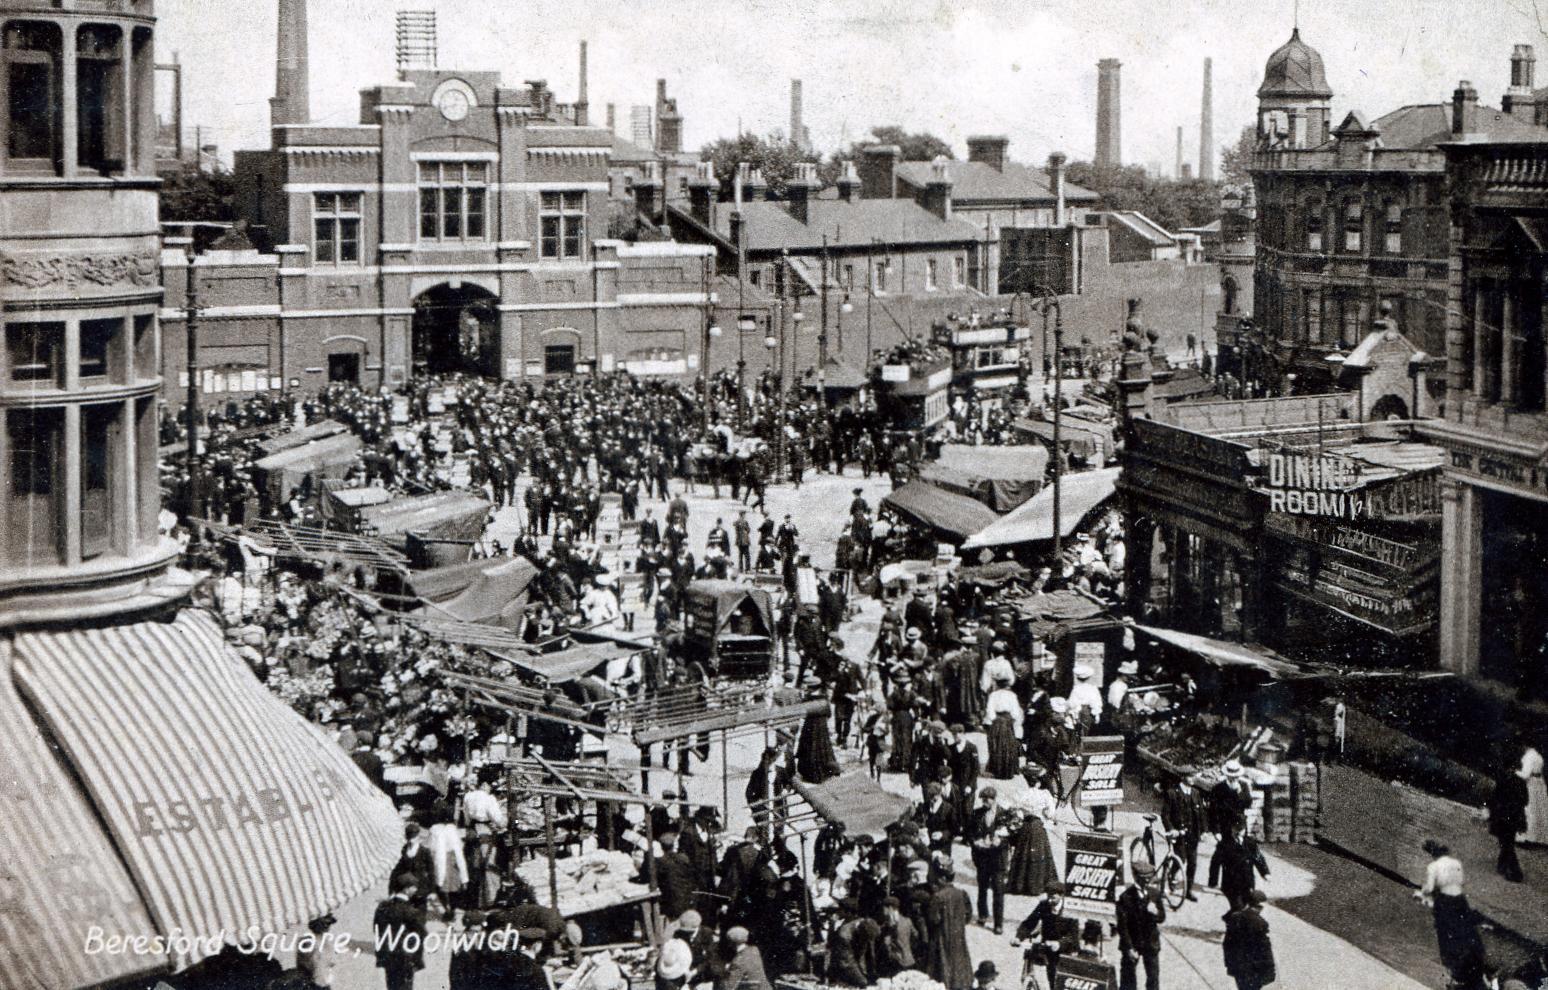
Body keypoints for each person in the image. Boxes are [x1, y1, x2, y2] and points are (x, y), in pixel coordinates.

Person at [1416, 838, 1485, 989]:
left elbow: (1429, 887)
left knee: (1447, 934)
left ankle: (1456, 972)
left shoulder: (1433, 866)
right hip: (1460, 900)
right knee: (1464, 930)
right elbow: (1461, 881)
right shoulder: (1456, 864)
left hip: (1445, 901)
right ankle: (1470, 964)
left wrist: (1422, 891)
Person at [1013, 881, 1079, 989]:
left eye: (1053, 897)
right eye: (1048, 896)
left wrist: (1059, 943)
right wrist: (1018, 937)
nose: (1049, 900)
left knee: (1059, 983)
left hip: (1065, 951)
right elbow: (1029, 923)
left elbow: (1073, 936)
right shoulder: (1044, 905)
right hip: (1048, 948)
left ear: (1061, 896)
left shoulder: (1070, 910)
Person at [1116, 858, 1165, 990]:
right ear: (1135, 877)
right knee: (1128, 979)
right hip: (1133, 943)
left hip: (1151, 943)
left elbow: (1162, 917)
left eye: (1150, 877)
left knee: (1153, 979)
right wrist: (1129, 948)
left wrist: (1155, 913)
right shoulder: (1125, 897)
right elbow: (1123, 926)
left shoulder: (1155, 894)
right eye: (1145, 878)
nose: (1148, 880)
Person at [373, 875, 428, 990]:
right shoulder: (410, 911)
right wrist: (417, 959)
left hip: (388, 956)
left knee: (392, 985)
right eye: (414, 887)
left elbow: (377, 929)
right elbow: (421, 933)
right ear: (406, 889)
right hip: (405, 958)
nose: (415, 890)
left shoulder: (383, 907)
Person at [925, 864, 975, 990]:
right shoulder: (962, 894)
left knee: (943, 968)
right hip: (958, 936)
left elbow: (933, 919)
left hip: (942, 938)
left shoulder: (938, 897)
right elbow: (968, 916)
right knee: (959, 965)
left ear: (942, 878)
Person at [1160, 772, 1206, 900]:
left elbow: (1201, 813)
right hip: (1179, 834)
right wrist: (1171, 829)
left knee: (1193, 863)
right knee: (1181, 858)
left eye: (1194, 776)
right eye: (1190, 776)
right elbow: (1165, 815)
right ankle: (1172, 877)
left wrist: (1203, 831)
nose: (1193, 779)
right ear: (1183, 777)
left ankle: (1188, 890)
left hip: (1193, 834)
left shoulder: (1195, 793)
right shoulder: (1172, 793)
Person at [968, 787, 1008, 934]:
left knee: (998, 892)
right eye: (983, 800)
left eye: (987, 800)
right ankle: (983, 915)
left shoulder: (1004, 814)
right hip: (982, 858)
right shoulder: (977, 813)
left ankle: (998, 924)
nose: (984, 802)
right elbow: (969, 833)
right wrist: (975, 842)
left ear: (994, 799)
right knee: (982, 889)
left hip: (998, 860)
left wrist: (1001, 841)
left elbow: (1011, 836)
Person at [1209, 821, 1270, 912]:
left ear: (1244, 830)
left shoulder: (1250, 843)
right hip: (1231, 884)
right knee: (1238, 908)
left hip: (1248, 882)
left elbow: (1258, 858)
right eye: (1235, 830)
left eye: (1240, 830)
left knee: (1246, 907)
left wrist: (1265, 873)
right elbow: (1215, 863)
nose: (1237, 833)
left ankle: (1235, 922)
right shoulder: (1224, 844)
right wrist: (1213, 881)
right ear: (1232, 829)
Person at [1488, 752, 1530, 882]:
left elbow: (1495, 797)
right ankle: (1502, 865)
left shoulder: (1503, 779)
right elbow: (1526, 800)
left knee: (1506, 843)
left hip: (1502, 815)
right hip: (1515, 816)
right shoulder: (1521, 782)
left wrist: (1491, 810)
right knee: (1508, 841)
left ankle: (1515, 872)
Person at [1222, 889, 1276, 990]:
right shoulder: (1260, 924)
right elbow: (1265, 951)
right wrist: (1270, 973)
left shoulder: (1234, 918)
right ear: (1260, 906)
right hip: (1254, 971)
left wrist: (1229, 965)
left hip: (1238, 968)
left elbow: (1227, 944)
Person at [1208, 760, 1254, 838]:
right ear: (1227, 775)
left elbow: (1248, 804)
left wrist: (1239, 793)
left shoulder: (1243, 786)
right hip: (1224, 825)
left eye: (1237, 776)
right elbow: (1213, 811)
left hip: (1240, 825)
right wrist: (1216, 831)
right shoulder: (1218, 788)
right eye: (1232, 776)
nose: (1234, 779)